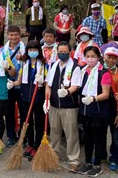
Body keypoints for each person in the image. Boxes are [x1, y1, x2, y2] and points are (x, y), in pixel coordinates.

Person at [44, 41, 81, 173]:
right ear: (57, 51)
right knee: (54, 133)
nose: (62, 54)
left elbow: (75, 85)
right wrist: (46, 100)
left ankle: (74, 160)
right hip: (54, 105)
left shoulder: (75, 67)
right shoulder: (53, 65)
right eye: (60, 51)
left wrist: (67, 92)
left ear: (70, 52)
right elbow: (48, 84)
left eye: (65, 52)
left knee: (71, 134)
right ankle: (54, 156)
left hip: (69, 106)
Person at [10, 40, 46, 161]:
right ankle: (30, 145)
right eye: (30, 50)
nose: (32, 52)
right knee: (27, 122)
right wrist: (12, 84)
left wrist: (42, 80)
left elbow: (47, 82)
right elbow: (19, 81)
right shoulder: (24, 64)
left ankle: (37, 146)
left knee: (39, 123)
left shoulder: (44, 64)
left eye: (34, 50)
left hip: (38, 98)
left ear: (38, 51)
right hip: (25, 97)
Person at [77, 46, 111, 177]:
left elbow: (106, 94)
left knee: (98, 139)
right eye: (88, 56)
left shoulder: (104, 73)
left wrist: (93, 98)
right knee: (87, 138)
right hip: (85, 111)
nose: (90, 59)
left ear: (98, 57)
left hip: (98, 112)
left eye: (93, 56)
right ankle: (87, 163)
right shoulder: (83, 70)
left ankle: (97, 165)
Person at [2, 25, 25, 148]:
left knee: (24, 111)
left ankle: (23, 135)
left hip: (22, 86)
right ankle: (11, 136)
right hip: (8, 85)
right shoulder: (2, 51)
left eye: (16, 34)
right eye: (11, 34)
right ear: (7, 35)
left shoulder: (25, 49)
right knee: (9, 111)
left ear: (19, 35)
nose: (13, 37)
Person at [103, 47, 118, 171]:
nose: (111, 60)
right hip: (101, 106)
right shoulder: (99, 70)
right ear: (104, 57)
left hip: (116, 108)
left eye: (114, 58)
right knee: (100, 132)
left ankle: (114, 158)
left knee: (115, 135)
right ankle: (101, 153)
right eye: (109, 57)